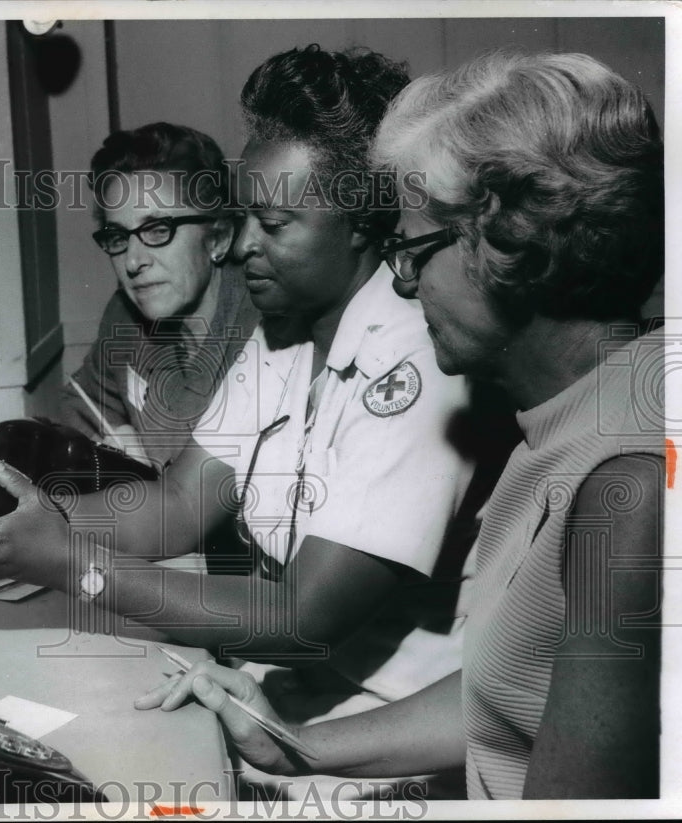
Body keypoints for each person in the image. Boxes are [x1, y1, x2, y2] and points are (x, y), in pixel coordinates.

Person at [136, 50, 665, 800]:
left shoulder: (628, 480)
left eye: (414, 249)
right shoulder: (553, 426)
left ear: (514, 251)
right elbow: (507, 694)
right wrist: (299, 746)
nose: (404, 281)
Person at [0, 44, 478, 702]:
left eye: (272, 223)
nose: (241, 245)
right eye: (243, 220)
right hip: (272, 692)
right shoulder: (285, 336)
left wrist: (74, 563)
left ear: (360, 220)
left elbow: (303, 617)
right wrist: (22, 511)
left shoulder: (417, 363)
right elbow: (176, 505)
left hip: (374, 731)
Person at [58, 122, 259, 472]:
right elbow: (80, 405)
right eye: (118, 237)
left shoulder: (264, 327)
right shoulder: (124, 315)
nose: (133, 262)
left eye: (157, 229)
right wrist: (116, 439)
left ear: (219, 238)